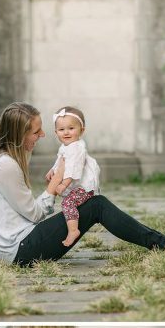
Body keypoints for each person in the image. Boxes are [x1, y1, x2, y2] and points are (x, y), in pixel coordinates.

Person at [0, 103, 165, 266]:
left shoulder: (3, 161)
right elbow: (34, 214)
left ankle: (164, 243)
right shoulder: (4, 165)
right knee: (97, 205)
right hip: (21, 250)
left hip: (17, 246)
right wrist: (55, 184)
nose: (43, 135)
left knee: (95, 203)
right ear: (19, 135)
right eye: (36, 131)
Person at [48, 105, 101, 248]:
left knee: (67, 203)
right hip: (76, 186)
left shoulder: (77, 148)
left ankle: (73, 230)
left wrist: (63, 184)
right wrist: (52, 170)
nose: (66, 132)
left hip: (84, 187)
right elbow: (60, 161)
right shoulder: (65, 147)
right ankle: (73, 223)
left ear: (81, 130)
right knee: (67, 202)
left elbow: (73, 168)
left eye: (71, 128)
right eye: (61, 129)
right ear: (56, 132)